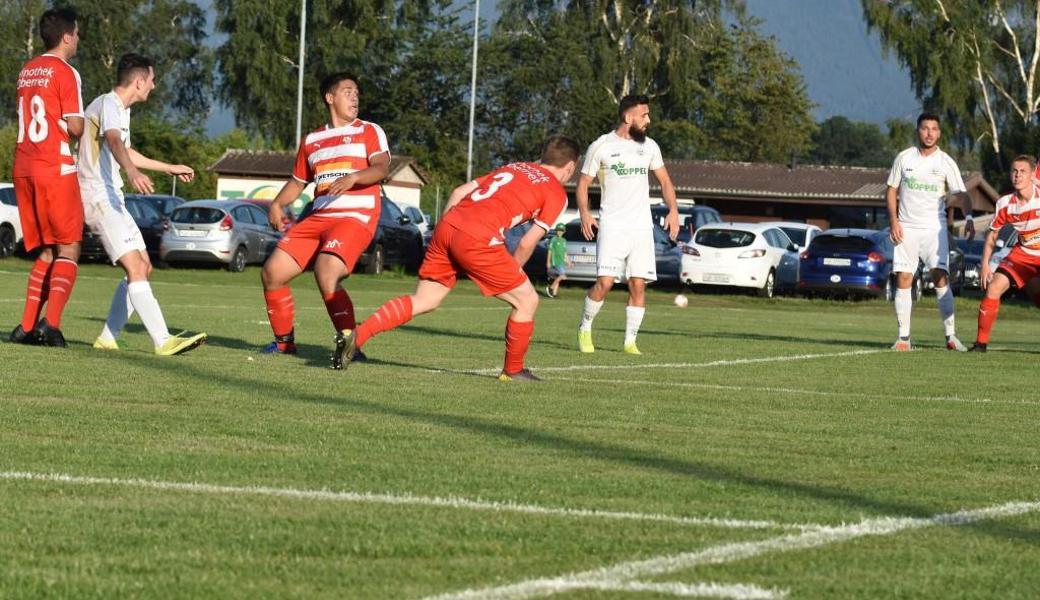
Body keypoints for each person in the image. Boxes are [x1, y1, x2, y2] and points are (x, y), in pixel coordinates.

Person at [336, 135, 580, 379]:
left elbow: (459, 191)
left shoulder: (514, 167)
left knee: (426, 299)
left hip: (448, 226)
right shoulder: (557, 194)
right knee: (527, 300)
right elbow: (528, 242)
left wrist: (443, 233)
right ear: (570, 167)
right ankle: (513, 370)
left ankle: (356, 337)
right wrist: (512, 271)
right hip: (478, 236)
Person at [79, 53, 206, 355]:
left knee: (143, 266)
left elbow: (126, 150)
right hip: (97, 197)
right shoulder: (109, 104)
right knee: (135, 265)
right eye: (151, 79)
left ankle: (107, 337)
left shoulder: (121, 111)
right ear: (138, 81)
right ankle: (163, 340)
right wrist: (132, 172)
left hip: (112, 197)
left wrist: (168, 167)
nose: (154, 84)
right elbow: (112, 141)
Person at [260, 72, 390, 358]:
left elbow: (381, 168)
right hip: (318, 219)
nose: (354, 96)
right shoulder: (312, 139)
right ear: (330, 98)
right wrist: (276, 205)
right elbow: (297, 182)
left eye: (356, 91)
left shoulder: (369, 130)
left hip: (354, 217)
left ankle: (350, 345)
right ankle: (284, 344)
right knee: (272, 273)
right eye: (347, 91)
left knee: (326, 270)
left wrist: (355, 178)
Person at [575, 94, 679, 356]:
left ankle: (630, 341)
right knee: (606, 282)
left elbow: (665, 182)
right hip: (612, 225)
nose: (649, 120)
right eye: (644, 115)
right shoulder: (601, 146)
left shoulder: (651, 147)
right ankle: (585, 326)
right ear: (628, 117)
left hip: (641, 227)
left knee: (638, 283)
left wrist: (674, 210)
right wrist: (585, 213)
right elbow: (583, 184)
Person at [9, 8, 84, 347]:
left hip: (24, 165)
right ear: (67, 36)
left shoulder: (27, 70)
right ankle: (50, 325)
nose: (78, 39)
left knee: (46, 251)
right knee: (69, 247)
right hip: (55, 166)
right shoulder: (65, 72)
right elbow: (75, 125)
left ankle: (25, 327)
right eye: (78, 33)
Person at [886, 112, 975, 351]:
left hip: (933, 230)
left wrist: (968, 218)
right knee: (903, 277)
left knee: (940, 277)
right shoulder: (904, 158)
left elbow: (962, 194)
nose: (929, 133)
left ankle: (951, 337)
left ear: (939, 133)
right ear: (918, 130)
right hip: (906, 228)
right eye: (925, 128)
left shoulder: (945, 161)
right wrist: (894, 221)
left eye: (934, 129)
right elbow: (891, 190)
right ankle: (903, 339)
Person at [971, 155, 1040, 352]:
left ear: (1033, 174)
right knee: (994, 288)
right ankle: (980, 344)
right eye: (1014, 171)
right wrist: (985, 264)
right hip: (1023, 252)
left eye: (1023, 171)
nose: (1018, 175)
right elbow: (992, 236)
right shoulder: (1004, 204)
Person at [545, 222, 571, 298]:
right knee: (563, 276)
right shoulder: (553, 239)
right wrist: (548, 262)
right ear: (556, 231)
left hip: (561, 262)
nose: (560, 232)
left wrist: (568, 261)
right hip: (555, 261)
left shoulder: (564, 241)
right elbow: (549, 251)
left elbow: (564, 253)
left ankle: (554, 294)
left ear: (564, 232)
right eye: (558, 230)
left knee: (558, 278)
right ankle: (551, 287)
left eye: (561, 230)